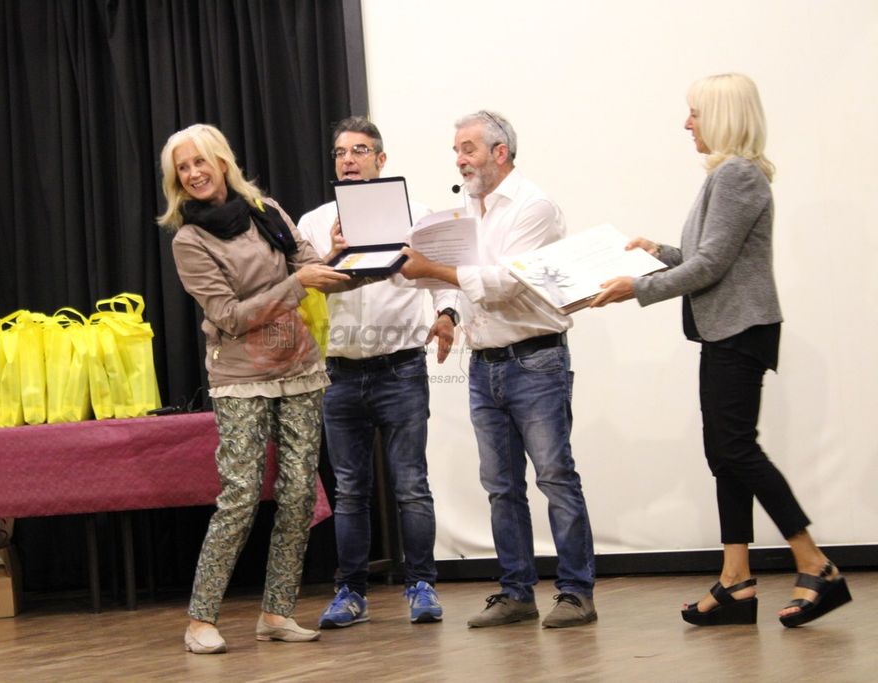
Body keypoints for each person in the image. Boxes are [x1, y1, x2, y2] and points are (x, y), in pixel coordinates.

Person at [590, 73, 852, 627]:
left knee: (736, 449)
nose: (687, 123)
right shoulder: (728, 174)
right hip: (727, 329)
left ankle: (816, 565)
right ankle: (736, 580)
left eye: (695, 113)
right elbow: (705, 255)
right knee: (724, 453)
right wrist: (657, 251)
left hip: (740, 329)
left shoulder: (737, 175)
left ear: (723, 116)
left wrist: (636, 287)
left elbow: (710, 265)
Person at [158, 123, 356, 654]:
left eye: (201, 161)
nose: (194, 173)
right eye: (183, 168)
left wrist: (345, 258)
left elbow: (309, 267)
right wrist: (298, 283)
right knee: (241, 496)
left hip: (299, 368)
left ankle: (277, 612)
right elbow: (228, 316)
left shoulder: (266, 210)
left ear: (222, 162)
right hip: (240, 378)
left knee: (299, 494)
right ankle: (200, 619)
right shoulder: (189, 240)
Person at [399, 111, 597, 629]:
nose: (459, 160)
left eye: (468, 149)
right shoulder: (466, 208)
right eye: (456, 150)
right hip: (485, 364)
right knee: (501, 486)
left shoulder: (534, 207)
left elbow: (504, 282)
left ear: (500, 152)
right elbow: (460, 283)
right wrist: (446, 311)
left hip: (537, 359)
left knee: (555, 477)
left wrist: (433, 269)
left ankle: (576, 592)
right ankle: (516, 593)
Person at [297, 116, 458, 628]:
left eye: (360, 151)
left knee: (411, 484)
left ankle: (422, 585)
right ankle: (350, 592)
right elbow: (301, 285)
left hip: (400, 369)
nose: (348, 160)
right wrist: (332, 252)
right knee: (350, 489)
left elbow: (442, 277)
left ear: (381, 160)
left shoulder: (419, 215)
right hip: (339, 373)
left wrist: (448, 315)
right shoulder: (315, 222)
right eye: (340, 152)